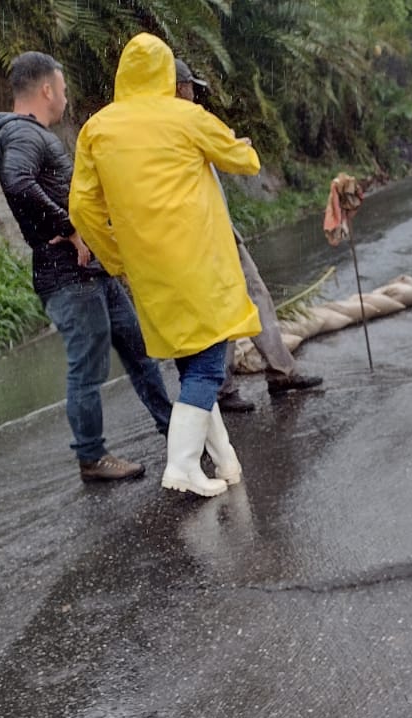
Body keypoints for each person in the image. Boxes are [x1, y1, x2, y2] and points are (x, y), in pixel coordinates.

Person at [68, 34, 259, 499]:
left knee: (191, 362)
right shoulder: (186, 116)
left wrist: (115, 257)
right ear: (167, 77)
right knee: (210, 364)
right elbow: (245, 161)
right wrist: (240, 145)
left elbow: (81, 208)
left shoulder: (97, 129)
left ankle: (226, 458)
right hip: (197, 264)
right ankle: (181, 466)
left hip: (147, 272)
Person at [0, 51, 173, 482]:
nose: (66, 98)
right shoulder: (22, 135)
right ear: (47, 89)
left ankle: (175, 429)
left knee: (139, 349)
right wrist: (70, 228)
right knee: (87, 366)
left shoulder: (26, 133)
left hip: (91, 272)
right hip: (67, 275)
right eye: (63, 89)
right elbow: (18, 181)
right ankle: (91, 457)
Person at [172, 59, 322, 413]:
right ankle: (222, 389)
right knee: (222, 312)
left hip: (222, 233)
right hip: (202, 240)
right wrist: (240, 149)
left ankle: (280, 371)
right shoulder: (183, 123)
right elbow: (241, 160)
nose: (195, 94)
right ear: (179, 88)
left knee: (254, 297)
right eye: (191, 87)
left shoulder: (184, 126)